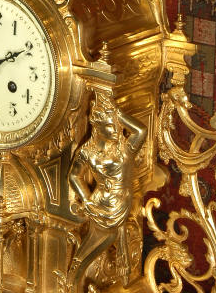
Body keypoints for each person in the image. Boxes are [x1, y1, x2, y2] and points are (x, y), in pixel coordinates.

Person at [68, 92, 147, 292]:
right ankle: (71, 282)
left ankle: (75, 281)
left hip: (122, 205)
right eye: (110, 126)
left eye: (116, 125)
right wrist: (86, 199)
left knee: (105, 247)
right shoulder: (87, 152)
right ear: (98, 126)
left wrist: (118, 114)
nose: (116, 129)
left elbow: (141, 131)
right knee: (90, 249)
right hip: (101, 206)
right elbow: (74, 176)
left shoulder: (125, 148)